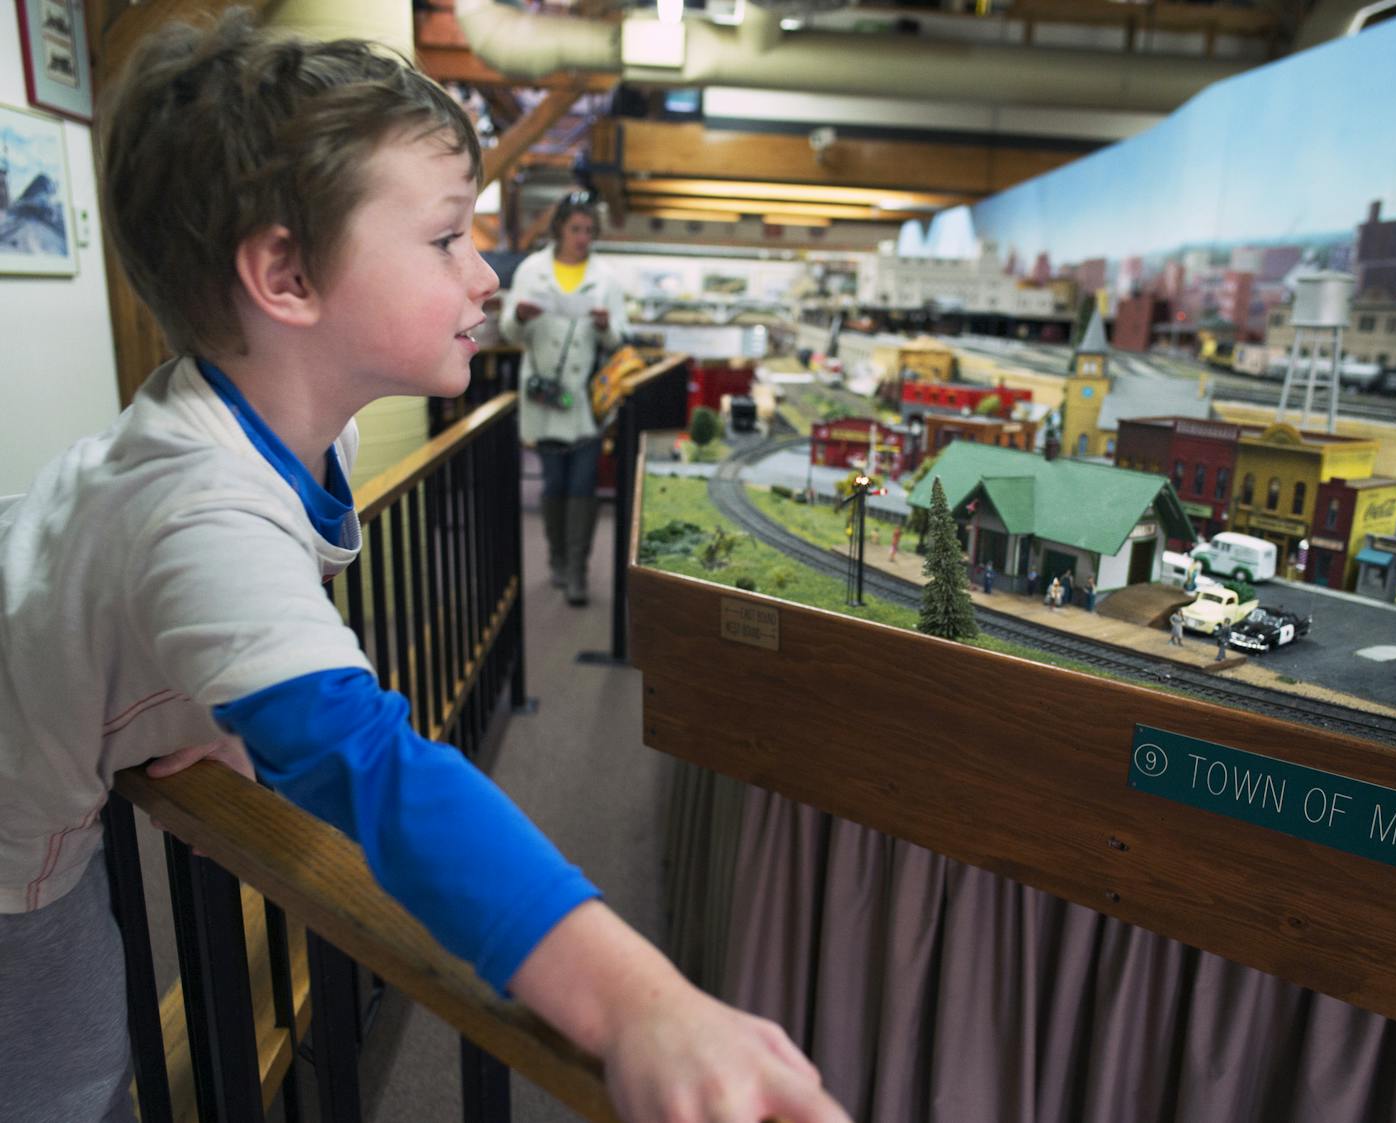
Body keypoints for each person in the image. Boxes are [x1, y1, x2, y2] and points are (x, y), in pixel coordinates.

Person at [0, 15, 848, 1123]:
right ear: (288, 273)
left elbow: (156, 589)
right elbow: (367, 762)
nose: (487, 273)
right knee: (65, 1074)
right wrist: (642, 1004)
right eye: (446, 237)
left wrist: (184, 693)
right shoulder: (198, 511)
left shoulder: (275, 427)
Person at [500, 190, 627, 607]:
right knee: (554, 483)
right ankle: (556, 557)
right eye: (576, 229)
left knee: (583, 484)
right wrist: (520, 315)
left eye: (589, 231)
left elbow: (618, 340)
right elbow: (508, 330)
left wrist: (606, 326)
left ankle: (577, 569)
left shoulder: (606, 277)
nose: (583, 238)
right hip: (544, 393)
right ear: (559, 229)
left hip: (586, 398)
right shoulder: (532, 270)